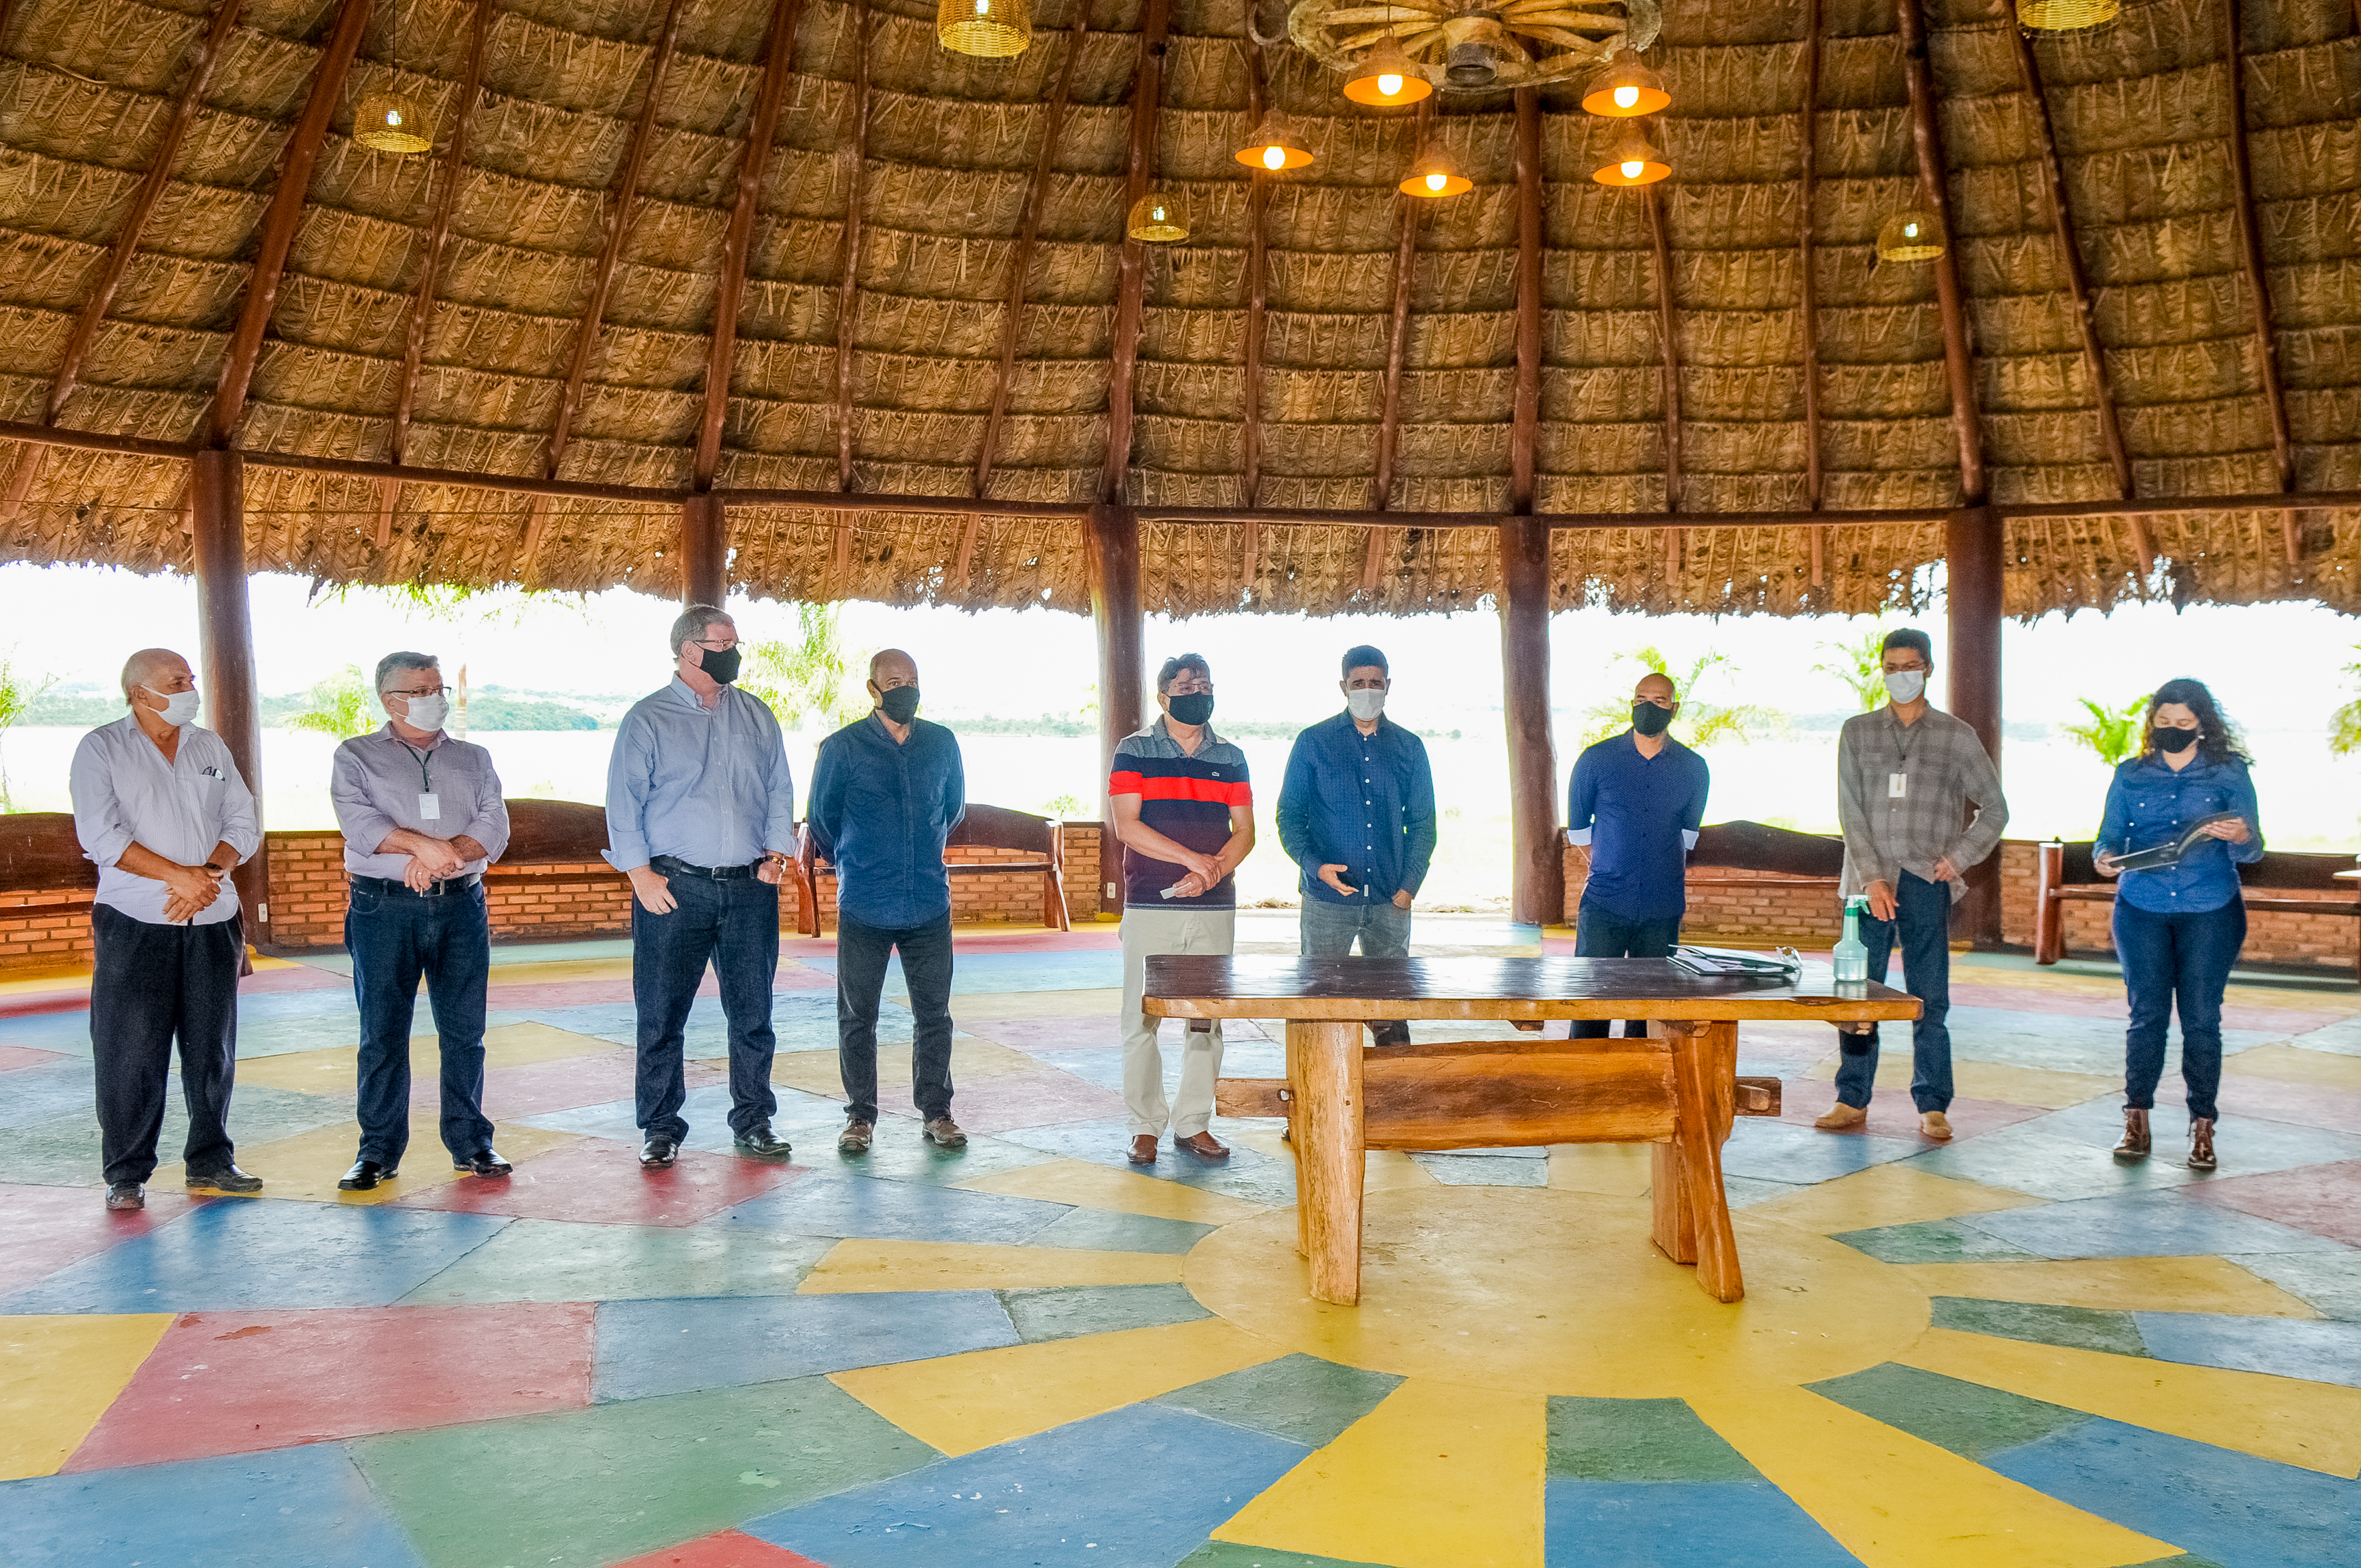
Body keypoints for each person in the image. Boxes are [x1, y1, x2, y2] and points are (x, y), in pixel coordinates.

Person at [606, 604, 798, 1171]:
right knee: (662, 1015)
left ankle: (755, 1121)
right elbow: (624, 801)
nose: (734, 650)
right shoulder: (648, 718)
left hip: (748, 889)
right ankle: (661, 1128)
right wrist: (639, 874)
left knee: (753, 1013)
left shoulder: (757, 715)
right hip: (673, 887)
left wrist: (776, 855)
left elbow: (778, 789)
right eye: (723, 641)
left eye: (736, 640)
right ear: (690, 649)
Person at [70, 649, 263, 1211]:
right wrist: (178, 877)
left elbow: (242, 822)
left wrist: (205, 877)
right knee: (130, 1050)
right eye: (176, 681)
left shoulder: (209, 746)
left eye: (191, 678)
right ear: (139, 693)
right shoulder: (101, 748)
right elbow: (101, 836)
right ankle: (126, 1173)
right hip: (135, 920)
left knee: (212, 1048)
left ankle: (212, 1160)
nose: (190, 687)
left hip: (213, 915)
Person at [1816, 628, 2008, 1142]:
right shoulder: (1856, 732)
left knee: (1929, 996)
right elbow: (1849, 811)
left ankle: (1932, 1103)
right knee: (1856, 993)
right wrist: (1873, 877)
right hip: (1865, 884)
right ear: (1881, 671)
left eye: (1910, 665)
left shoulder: (1956, 735)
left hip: (1925, 879)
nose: (1900, 674)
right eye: (1891, 666)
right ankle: (1850, 1097)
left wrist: (1959, 858)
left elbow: (1995, 808)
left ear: (1927, 669)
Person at [331, 652, 513, 1191]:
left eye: (438, 687)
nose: (437, 697)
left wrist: (440, 856)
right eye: (421, 689)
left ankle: (471, 1141)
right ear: (390, 700)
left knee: (465, 1032)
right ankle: (378, 1151)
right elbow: (361, 823)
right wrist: (421, 846)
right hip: (382, 908)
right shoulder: (355, 756)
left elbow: (493, 825)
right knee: (382, 1034)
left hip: (461, 905)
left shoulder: (474, 757)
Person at [2094, 678, 2260, 1172]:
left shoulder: (2228, 772)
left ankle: (2202, 1125)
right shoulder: (2129, 774)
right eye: (2163, 722)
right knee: (2145, 1015)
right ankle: (2135, 1118)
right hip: (2140, 906)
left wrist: (2241, 833)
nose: (2172, 730)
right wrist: (2104, 857)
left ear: (2202, 725)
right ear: (2152, 724)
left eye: (2182, 723)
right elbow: (2107, 836)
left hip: (2210, 907)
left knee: (2201, 1019)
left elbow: (2252, 849)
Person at [808, 648, 968, 1156]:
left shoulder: (942, 743)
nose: (906, 688)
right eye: (895, 681)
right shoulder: (841, 748)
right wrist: (859, 859)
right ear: (874, 689)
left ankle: (937, 1112)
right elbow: (822, 820)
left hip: (928, 901)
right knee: (858, 1016)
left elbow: (953, 809)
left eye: (913, 680)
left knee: (934, 1014)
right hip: (864, 903)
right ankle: (860, 1116)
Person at [1110, 654, 1255, 1166]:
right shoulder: (1133, 750)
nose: (1199, 690)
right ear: (1163, 695)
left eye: (1206, 683)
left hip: (1214, 907)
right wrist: (1191, 860)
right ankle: (1144, 1126)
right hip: (1151, 902)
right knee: (1140, 1018)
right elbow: (1127, 825)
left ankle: (1192, 1123)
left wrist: (1210, 871)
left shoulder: (1232, 756)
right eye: (1187, 683)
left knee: (1206, 1021)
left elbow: (1246, 831)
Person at [1277, 644, 1435, 1045]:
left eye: (1375, 683)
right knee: (1319, 1006)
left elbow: (1422, 824)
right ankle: (1319, 1099)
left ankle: (1397, 1096)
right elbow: (1290, 816)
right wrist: (1315, 866)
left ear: (1388, 686)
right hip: (1327, 903)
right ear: (1343, 686)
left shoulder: (1409, 748)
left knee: (1392, 1010)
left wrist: (1408, 887)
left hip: (1389, 901)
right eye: (1359, 683)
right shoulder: (1313, 742)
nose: (1368, 690)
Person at [1565, 669, 1711, 1038]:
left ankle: (1645, 1088)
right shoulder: (1596, 760)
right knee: (1592, 1003)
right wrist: (1610, 865)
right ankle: (1586, 1082)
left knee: (1651, 1011)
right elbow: (1579, 830)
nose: (1649, 707)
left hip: (1663, 907)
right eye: (1641, 700)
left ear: (1674, 708)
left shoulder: (1694, 768)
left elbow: (1688, 835)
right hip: (1604, 903)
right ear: (1632, 704)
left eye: (1659, 701)